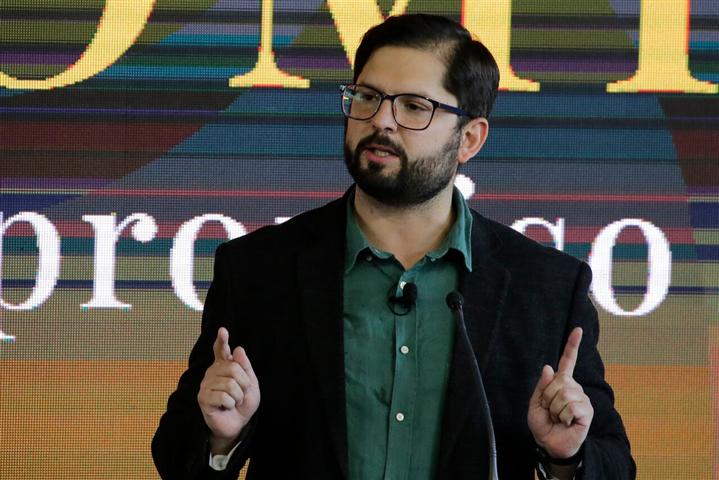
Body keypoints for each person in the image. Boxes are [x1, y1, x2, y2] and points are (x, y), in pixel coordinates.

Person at [152, 13, 635, 480]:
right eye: (367, 97)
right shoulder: (260, 269)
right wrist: (221, 438)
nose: (381, 120)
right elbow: (177, 456)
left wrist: (565, 457)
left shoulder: (546, 287)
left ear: (469, 138)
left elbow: (614, 463)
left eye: (414, 107)